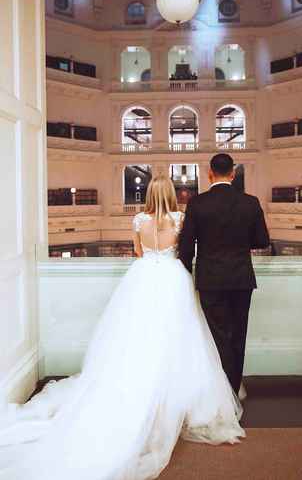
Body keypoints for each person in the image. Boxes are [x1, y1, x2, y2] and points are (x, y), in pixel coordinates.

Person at [0, 175, 244, 480]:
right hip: (172, 278)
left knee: (136, 337)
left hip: (142, 278)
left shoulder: (139, 220)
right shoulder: (180, 219)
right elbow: (185, 253)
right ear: (171, 194)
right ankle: (173, 397)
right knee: (178, 337)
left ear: (150, 194)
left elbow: (139, 253)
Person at [178, 153, 270, 396]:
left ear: (210, 173)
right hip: (241, 278)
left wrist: (187, 273)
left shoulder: (197, 203)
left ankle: (220, 393)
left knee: (216, 335)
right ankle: (233, 388)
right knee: (238, 335)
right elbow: (262, 240)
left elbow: (185, 247)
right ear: (233, 173)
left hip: (210, 279)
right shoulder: (250, 202)